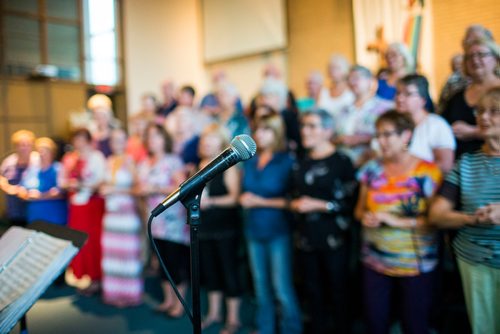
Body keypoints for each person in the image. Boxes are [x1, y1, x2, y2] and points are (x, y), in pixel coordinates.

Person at [355, 110, 443, 334]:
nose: (381, 141)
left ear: (406, 135)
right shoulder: (371, 169)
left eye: (387, 135)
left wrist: (392, 220)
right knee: (375, 322)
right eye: (378, 135)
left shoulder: (427, 172)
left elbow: (436, 219)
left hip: (415, 264)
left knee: (415, 325)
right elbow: (358, 210)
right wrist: (366, 217)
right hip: (375, 260)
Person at [429, 87, 500, 334]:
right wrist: (472, 218)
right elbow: (437, 214)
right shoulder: (466, 162)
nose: (484, 117)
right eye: (480, 111)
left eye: (494, 111)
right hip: (475, 262)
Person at [289, 109, 356, 334]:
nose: (305, 131)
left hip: (334, 237)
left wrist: (319, 205)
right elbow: (292, 196)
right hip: (306, 236)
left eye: (312, 126)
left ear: (328, 131)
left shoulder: (342, 161)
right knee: (312, 290)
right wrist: (295, 204)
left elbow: (352, 203)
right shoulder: (301, 162)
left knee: (338, 291)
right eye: (303, 126)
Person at [240, 114, 302, 334]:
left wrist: (260, 201)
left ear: (276, 133)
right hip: (253, 227)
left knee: (281, 287)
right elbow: (244, 189)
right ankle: (265, 328)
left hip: (278, 230)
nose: (259, 135)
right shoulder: (250, 160)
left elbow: (293, 200)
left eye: (265, 130)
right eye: (257, 130)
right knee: (260, 287)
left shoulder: (286, 161)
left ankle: (291, 329)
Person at [136, 124, 188, 318]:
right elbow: (140, 188)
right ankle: (167, 300)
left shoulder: (173, 161)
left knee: (175, 262)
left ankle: (180, 303)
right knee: (161, 262)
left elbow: (181, 188)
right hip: (152, 220)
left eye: (156, 136)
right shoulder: (144, 162)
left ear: (164, 139)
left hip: (172, 220)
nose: (152, 140)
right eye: (149, 137)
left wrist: (155, 188)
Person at [197, 124, 243, 334]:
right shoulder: (200, 164)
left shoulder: (229, 165)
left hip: (225, 228)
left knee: (228, 272)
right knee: (210, 272)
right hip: (204, 227)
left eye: (212, 138)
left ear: (222, 141)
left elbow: (234, 198)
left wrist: (212, 202)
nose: (207, 142)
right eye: (205, 138)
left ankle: (233, 319)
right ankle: (214, 313)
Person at [100, 128, 143, 307]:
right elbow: (104, 183)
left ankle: (129, 294)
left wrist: (115, 190)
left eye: (120, 140)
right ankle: (114, 293)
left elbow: (138, 189)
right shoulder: (108, 161)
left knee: (127, 255)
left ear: (126, 142)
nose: (117, 143)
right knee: (112, 255)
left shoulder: (130, 161)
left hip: (126, 215)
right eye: (114, 140)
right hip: (111, 215)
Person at [61, 128, 106, 296]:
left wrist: (81, 185)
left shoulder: (97, 157)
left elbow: (101, 180)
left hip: (92, 206)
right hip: (76, 205)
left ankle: (97, 278)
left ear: (88, 140)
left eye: (81, 139)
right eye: (75, 139)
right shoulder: (71, 158)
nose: (78, 143)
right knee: (81, 242)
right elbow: (63, 179)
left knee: (94, 241)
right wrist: (69, 184)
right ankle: (86, 276)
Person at [441, 38, 500, 159]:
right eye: (469, 56)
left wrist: (473, 132)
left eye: (481, 54)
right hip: (462, 164)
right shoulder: (456, 97)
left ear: (496, 59)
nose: (474, 59)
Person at [395, 74, 456, 172]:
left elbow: (445, 165)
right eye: (398, 93)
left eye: (408, 94)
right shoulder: (393, 123)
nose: (399, 98)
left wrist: (413, 173)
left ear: (423, 99)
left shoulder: (437, 125)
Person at [335, 65, 393, 167]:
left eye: (356, 78)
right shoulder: (343, 110)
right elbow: (333, 135)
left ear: (370, 81)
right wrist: (339, 139)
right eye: (349, 78)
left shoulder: (385, 107)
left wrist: (362, 139)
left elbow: (394, 137)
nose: (352, 82)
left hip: (371, 162)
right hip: (343, 162)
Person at [20, 137, 67, 225]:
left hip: (54, 215)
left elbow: (61, 191)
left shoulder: (58, 168)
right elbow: (22, 188)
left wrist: (40, 196)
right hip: (35, 216)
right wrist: (26, 194)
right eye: (40, 151)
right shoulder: (31, 170)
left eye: (45, 151)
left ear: (52, 153)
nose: (42, 154)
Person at [0, 130, 39, 227]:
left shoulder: (38, 160)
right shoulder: (9, 162)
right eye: (21, 145)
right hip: (15, 210)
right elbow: (1, 178)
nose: (24, 148)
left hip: (35, 209)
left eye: (27, 144)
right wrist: (9, 188)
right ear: (16, 146)